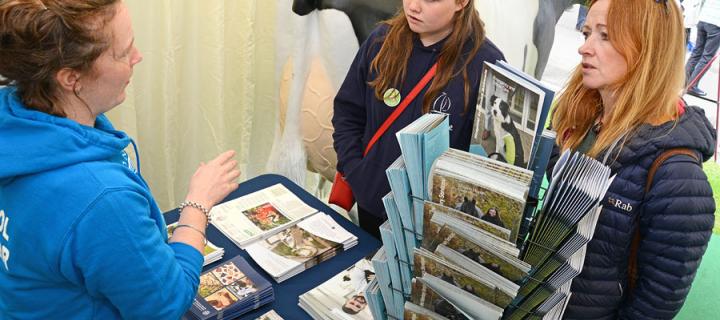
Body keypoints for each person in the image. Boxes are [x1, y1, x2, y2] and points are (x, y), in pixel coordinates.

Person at [0, 1, 240, 319]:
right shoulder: (101, 199)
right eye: (123, 52)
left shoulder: (16, 116)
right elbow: (165, 305)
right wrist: (198, 204)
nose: (137, 57)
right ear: (71, 78)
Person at [550, 0, 715, 318]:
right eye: (587, 33)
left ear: (648, 48)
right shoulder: (580, 120)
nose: (584, 48)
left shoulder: (678, 179)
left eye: (606, 36)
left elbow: (656, 303)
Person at [332, 0, 505, 238]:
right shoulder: (380, 41)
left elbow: (488, 159)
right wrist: (356, 171)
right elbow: (348, 112)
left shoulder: (487, 64)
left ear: (461, 3)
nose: (413, 6)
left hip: (429, 227)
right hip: (370, 208)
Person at [685, 0, 720, 97]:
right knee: (707, 57)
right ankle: (692, 85)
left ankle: (684, 82)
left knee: (696, 52)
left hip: (703, 19)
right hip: (716, 23)